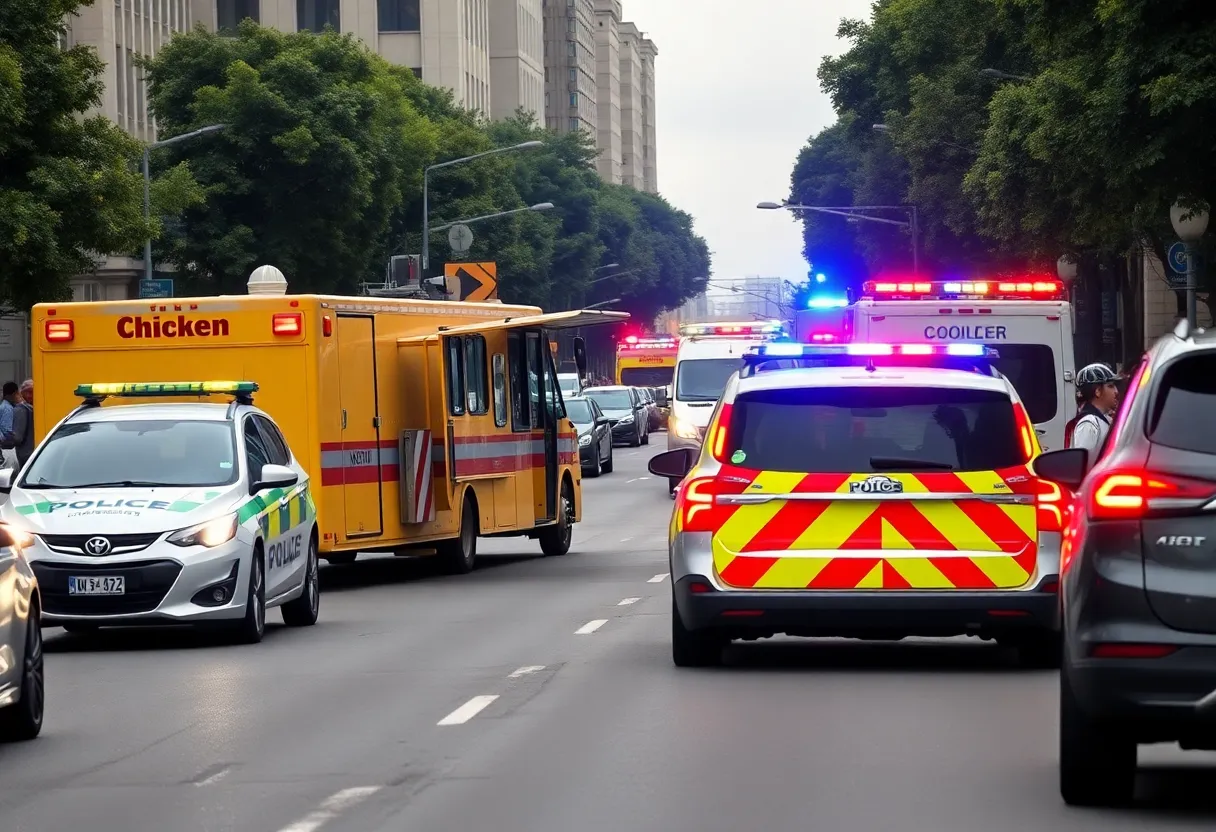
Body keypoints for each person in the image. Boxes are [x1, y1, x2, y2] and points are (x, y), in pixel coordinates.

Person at [1068, 363, 1119, 456]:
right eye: (1110, 386)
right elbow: (1083, 464)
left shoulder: (1105, 419)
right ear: (1098, 391)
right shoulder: (1089, 424)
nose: (1116, 391)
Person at [10, 380, 34, 469]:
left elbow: (17, 438)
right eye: (28, 392)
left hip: (25, 455)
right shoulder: (38, 410)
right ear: (21, 393)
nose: (30, 396)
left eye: (32, 392)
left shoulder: (20, 409)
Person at [0, 382, 16, 470]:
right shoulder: (8, 408)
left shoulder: (3, 406)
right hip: (6, 449)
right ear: (14, 394)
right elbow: (7, 430)